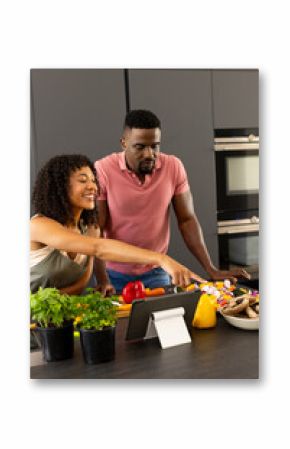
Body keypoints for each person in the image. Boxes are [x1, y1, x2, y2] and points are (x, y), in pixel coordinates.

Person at [95, 109, 250, 292]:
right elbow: (96, 232)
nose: (149, 154)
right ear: (124, 143)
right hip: (114, 274)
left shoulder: (173, 167)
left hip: (157, 271)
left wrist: (211, 270)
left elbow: (187, 220)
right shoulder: (102, 170)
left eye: (155, 146)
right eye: (140, 147)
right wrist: (103, 280)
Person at [30, 154, 204, 295]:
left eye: (93, 180)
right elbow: (99, 248)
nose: (93, 187)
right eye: (83, 180)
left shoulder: (90, 229)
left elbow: (80, 284)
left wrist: (54, 304)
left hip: (57, 318)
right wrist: (161, 258)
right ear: (59, 187)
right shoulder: (39, 226)